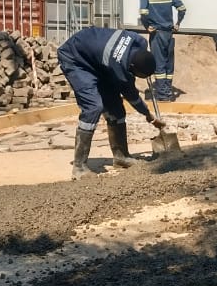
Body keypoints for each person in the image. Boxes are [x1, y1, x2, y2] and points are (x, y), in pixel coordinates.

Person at [57, 27, 164, 179]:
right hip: (76, 59)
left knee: (116, 109)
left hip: (98, 59)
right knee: (94, 106)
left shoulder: (139, 41)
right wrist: (149, 116)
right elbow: (131, 94)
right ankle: (79, 167)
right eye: (136, 75)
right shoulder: (118, 65)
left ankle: (121, 157)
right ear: (131, 68)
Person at [138, 0, 186, 101]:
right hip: (169, 34)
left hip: (157, 34)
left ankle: (163, 95)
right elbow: (182, 8)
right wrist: (177, 24)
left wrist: (147, 26)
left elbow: (143, 12)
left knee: (159, 64)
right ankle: (168, 91)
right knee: (168, 63)